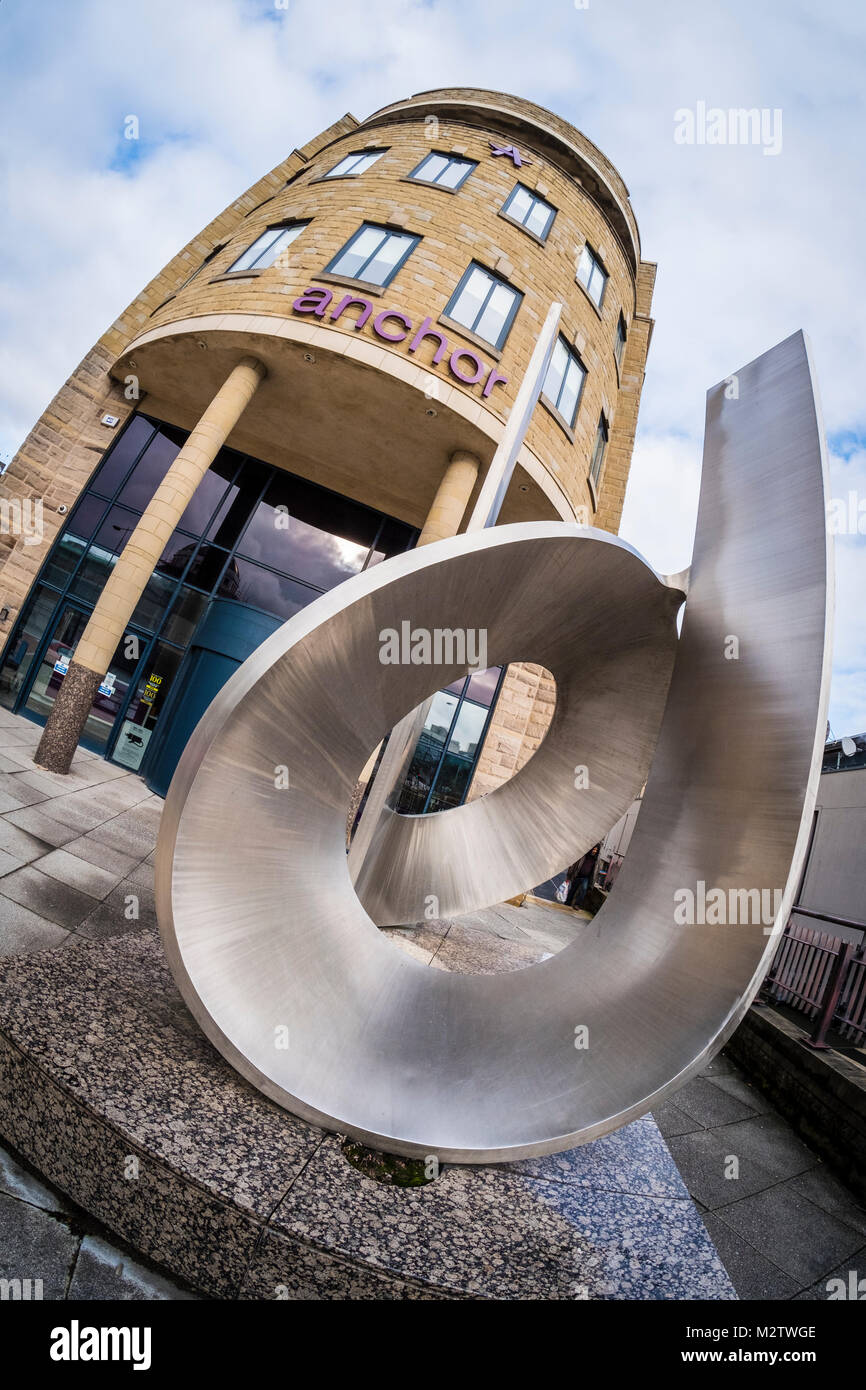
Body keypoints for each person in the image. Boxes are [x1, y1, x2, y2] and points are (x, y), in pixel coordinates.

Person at [565, 844, 599, 909]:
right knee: (572, 890)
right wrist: (569, 875)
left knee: (584, 890)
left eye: (596, 850)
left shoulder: (595, 861)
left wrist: (592, 884)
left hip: (585, 878)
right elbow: (574, 865)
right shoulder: (584, 856)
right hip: (577, 875)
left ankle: (577, 905)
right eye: (594, 849)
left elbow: (595, 873)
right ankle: (567, 903)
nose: (594, 851)